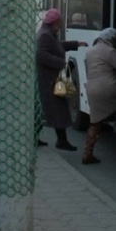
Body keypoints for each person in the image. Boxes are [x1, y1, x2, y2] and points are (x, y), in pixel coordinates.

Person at [36, 8, 87, 151]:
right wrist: (61, 63)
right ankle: (61, 141)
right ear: (55, 21)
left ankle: (59, 140)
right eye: (59, 20)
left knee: (55, 110)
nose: (61, 23)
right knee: (55, 110)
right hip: (50, 79)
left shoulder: (49, 33)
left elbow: (58, 46)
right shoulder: (46, 35)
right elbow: (41, 55)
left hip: (53, 78)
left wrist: (76, 44)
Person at [82, 28, 116, 165]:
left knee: (95, 123)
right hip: (107, 88)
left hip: (91, 89)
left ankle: (88, 152)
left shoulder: (89, 51)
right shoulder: (110, 51)